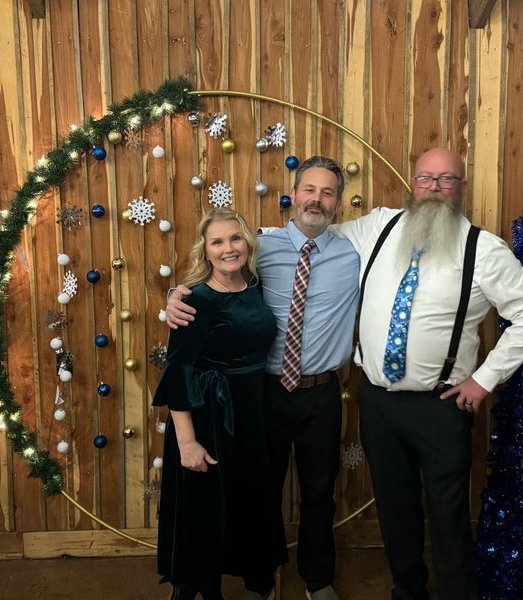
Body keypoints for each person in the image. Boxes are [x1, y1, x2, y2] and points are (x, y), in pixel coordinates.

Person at [333, 147, 523, 600]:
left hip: (441, 406)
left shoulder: (483, 248)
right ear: (412, 183)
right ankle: (407, 591)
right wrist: (203, 279)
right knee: (396, 510)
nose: (434, 188)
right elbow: (311, 239)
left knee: (448, 514)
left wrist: (483, 380)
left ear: (461, 188)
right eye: (425, 178)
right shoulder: (379, 226)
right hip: (377, 400)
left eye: (446, 179)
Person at [167, 156, 359, 600]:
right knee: (259, 490)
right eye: (309, 189)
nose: (317, 199)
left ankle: (318, 578)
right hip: (262, 394)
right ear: (294, 194)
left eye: (327, 192)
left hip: (321, 392)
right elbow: (214, 278)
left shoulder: (354, 253)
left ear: (337, 203)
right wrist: (175, 295)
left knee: (319, 492)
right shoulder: (260, 246)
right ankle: (260, 576)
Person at [153, 208, 286, 600]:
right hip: (208, 418)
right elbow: (178, 375)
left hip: (254, 415)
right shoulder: (196, 301)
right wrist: (187, 443)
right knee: (207, 512)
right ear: (206, 251)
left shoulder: (256, 287)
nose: (228, 248)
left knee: (251, 503)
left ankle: (257, 582)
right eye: (217, 242)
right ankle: (202, 589)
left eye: (235, 238)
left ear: (247, 242)